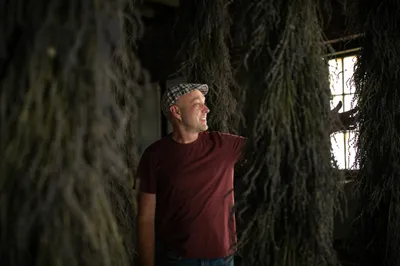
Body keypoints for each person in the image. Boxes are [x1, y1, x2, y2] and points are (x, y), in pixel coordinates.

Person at [136, 83, 358, 266]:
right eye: (197, 105)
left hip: (222, 260)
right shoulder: (155, 156)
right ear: (176, 112)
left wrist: (324, 126)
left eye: (205, 104)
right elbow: (146, 218)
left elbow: (273, 146)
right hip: (177, 261)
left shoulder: (222, 144)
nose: (207, 109)